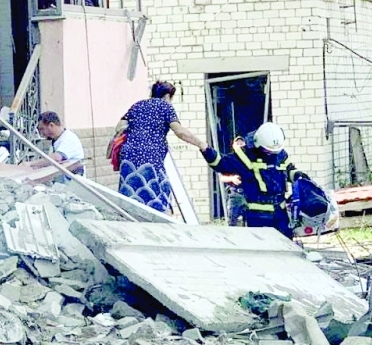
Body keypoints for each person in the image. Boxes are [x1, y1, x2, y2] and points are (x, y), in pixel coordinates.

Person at [114, 81, 205, 212]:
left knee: (131, 189)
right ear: (168, 96)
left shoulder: (137, 105)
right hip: (150, 155)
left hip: (129, 155)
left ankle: (129, 215)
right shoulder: (165, 107)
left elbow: (119, 127)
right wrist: (200, 144)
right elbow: (179, 131)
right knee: (155, 190)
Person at [200, 122, 297, 238]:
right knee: (261, 249)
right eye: (268, 151)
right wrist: (205, 149)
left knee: (286, 247)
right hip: (258, 216)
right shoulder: (245, 156)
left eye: (275, 151)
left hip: (281, 214)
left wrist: (298, 176)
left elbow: (289, 169)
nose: (272, 154)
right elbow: (220, 163)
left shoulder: (280, 154)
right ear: (258, 144)